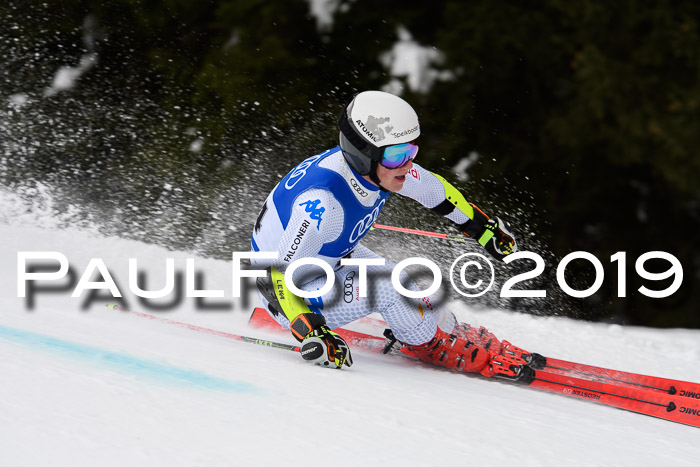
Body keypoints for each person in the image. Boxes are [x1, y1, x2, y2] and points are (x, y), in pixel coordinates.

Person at [251, 90, 530, 379]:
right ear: (364, 155)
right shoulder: (321, 203)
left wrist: (483, 228)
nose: (408, 165)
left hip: (328, 261)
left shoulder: (378, 169)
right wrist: (312, 331)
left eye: (411, 152)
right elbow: (273, 276)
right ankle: (430, 344)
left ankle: (442, 330)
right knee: (390, 288)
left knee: (413, 283)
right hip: (290, 296)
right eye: (398, 155)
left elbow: (436, 191)